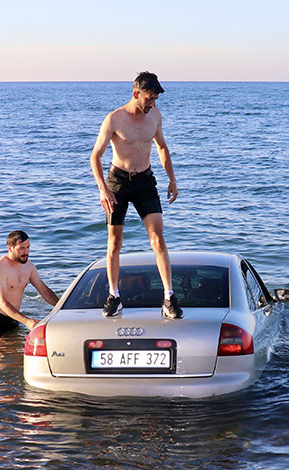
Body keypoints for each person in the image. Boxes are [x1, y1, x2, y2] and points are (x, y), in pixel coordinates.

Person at [89, 71, 181, 319]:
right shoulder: (114, 119)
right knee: (114, 243)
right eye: (149, 98)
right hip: (117, 182)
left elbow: (161, 147)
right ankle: (114, 296)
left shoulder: (155, 116)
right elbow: (95, 156)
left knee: (158, 240)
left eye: (155, 99)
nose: (152, 104)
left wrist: (172, 179)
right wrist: (102, 188)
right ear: (135, 94)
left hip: (145, 181)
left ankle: (169, 297)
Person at [0, 230, 59, 334]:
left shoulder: (29, 266)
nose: (26, 252)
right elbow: (2, 302)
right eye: (21, 248)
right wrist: (27, 321)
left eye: (28, 247)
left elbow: (44, 290)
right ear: (10, 248)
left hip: (14, 317)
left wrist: (61, 307)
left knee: (17, 349)